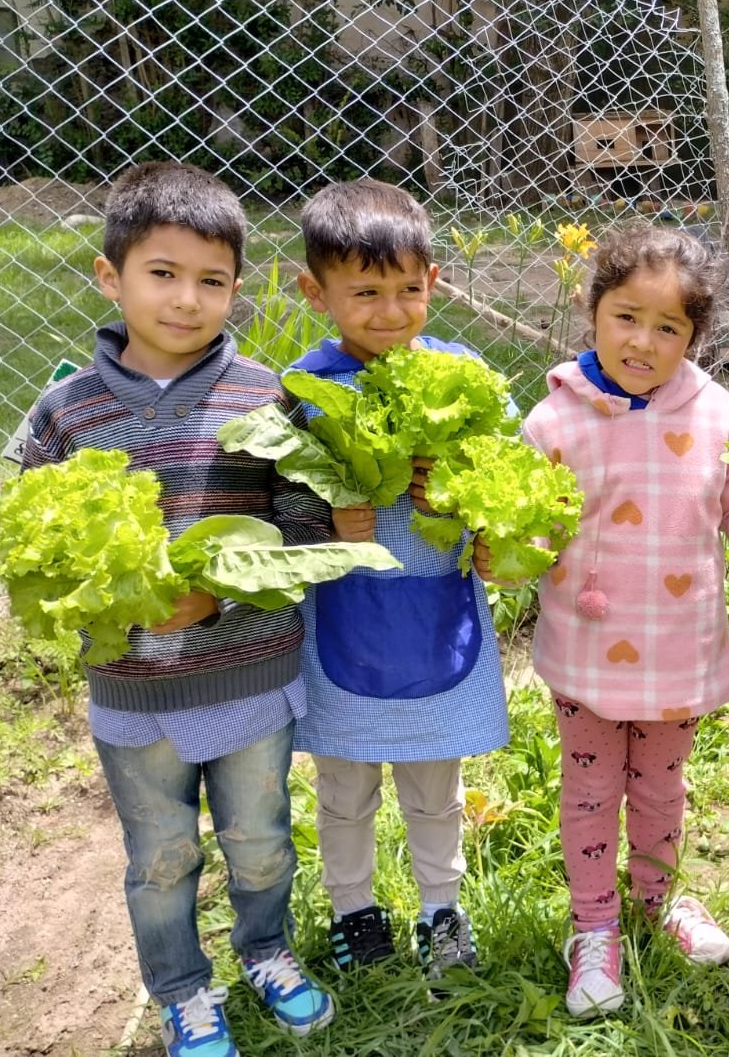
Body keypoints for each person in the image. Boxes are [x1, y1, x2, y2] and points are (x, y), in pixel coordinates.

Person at [21, 161, 334, 1057]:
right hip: (134, 688)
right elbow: (35, 553)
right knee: (161, 857)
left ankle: (266, 950)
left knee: (261, 837)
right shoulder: (65, 414)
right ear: (108, 275)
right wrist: (115, 604)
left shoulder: (269, 396)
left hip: (249, 675)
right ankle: (182, 990)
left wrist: (221, 585)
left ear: (239, 288)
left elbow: (306, 525)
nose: (187, 300)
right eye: (162, 274)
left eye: (212, 281)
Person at [521, 225, 729, 1018]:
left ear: (694, 336)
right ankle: (593, 929)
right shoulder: (553, 420)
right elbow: (530, 536)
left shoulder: (719, 413)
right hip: (586, 652)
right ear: (593, 309)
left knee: (660, 788)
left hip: (677, 652)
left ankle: (658, 901)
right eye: (626, 317)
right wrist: (512, 543)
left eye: (668, 328)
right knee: (589, 791)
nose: (643, 342)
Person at [289, 179, 510, 982]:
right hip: (341, 621)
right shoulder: (302, 391)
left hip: (435, 609)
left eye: (407, 291)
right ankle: (354, 909)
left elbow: (503, 480)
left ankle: (441, 908)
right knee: (343, 786)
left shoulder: (465, 376)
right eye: (364, 293)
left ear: (435, 283)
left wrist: (466, 507)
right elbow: (275, 507)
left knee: (433, 781)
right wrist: (324, 521)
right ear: (316, 292)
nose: (389, 312)